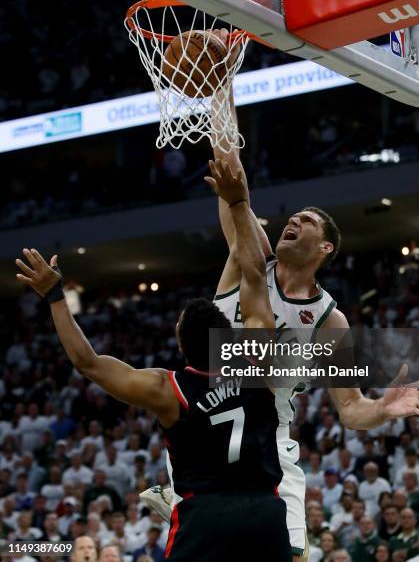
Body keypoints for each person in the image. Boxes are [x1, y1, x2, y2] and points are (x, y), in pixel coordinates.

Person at [143, 72, 419, 561]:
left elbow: (350, 411)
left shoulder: (331, 321)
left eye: (307, 221)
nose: (294, 220)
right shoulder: (250, 258)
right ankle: (183, 501)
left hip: (267, 439)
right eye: (293, 216)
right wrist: (221, 88)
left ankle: (186, 503)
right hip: (203, 425)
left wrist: (384, 410)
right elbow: (231, 174)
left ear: (324, 247)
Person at [14, 158, 291, 561]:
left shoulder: (167, 388)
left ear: (181, 343)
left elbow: (87, 362)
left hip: (206, 514)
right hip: (264, 511)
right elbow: (253, 277)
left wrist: (56, 297)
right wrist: (238, 203)